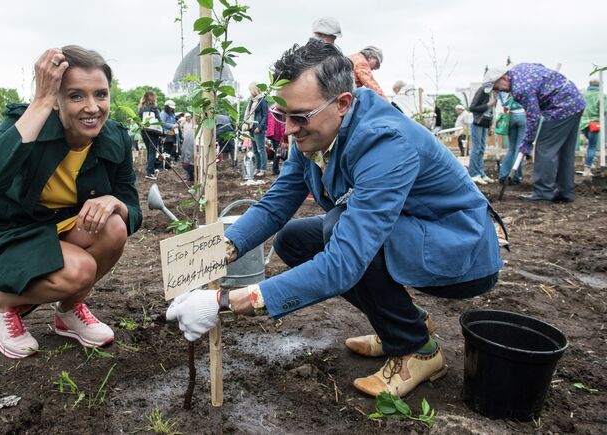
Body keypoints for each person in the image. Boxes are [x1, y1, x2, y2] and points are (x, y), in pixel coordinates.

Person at [166, 39, 503, 398]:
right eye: (282, 116)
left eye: (299, 117)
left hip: (458, 250)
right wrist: (212, 253)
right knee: (294, 239)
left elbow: (344, 262)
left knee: (339, 229)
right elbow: (275, 206)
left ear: (342, 103)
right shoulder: (316, 132)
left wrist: (224, 304)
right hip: (407, 234)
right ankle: (405, 321)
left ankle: (416, 349)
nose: (290, 129)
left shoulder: (386, 143)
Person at [0, 46, 142, 359]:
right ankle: (0, 305)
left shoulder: (115, 138)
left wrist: (114, 201)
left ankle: (69, 311)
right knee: (80, 270)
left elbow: (134, 209)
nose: (92, 107)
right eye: (75, 96)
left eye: (100, 94)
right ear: (57, 99)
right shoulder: (28, 121)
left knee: (115, 226)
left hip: (61, 229)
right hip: (10, 233)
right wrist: (41, 101)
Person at [485, 64, 585, 202]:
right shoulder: (519, 69)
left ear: (504, 78)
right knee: (564, 151)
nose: (500, 91)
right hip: (575, 101)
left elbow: (533, 117)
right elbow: (540, 67)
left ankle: (543, 192)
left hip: (560, 107)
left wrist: (526, 142)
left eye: (497, 87)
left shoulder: (521, 89)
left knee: (544, 149)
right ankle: (565, 192)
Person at [468, 85, 497, 185]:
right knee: (477, 148)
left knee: (482, 148)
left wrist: (491, 125)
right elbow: (472, 107)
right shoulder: (483, 90)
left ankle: (481, 173)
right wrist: (488, 104)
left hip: (485, 122)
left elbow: (492, 111)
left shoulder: (494, 92)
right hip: (477, 121)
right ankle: (473, 174)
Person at [497, 92, 527, 184]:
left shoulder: (501, 90)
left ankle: (503, 175)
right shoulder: (520, 84)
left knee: (511, 149)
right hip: (522, 115)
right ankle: (514, 177)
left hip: (509, 117)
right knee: (519, 148)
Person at [578, 79, 606, 177]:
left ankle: (591, 163)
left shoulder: (582, 94)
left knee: (585, 144)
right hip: (594, 124)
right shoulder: (602, 95)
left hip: (582, 123)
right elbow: (604, 110)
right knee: (592, 146)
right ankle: (587, 168)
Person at [244, 82, 268, 177]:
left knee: (261, 149)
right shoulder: (251, 101)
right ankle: (257, 168)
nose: (250, 92)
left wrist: (260, 127)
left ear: (255, 89)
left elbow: (266, 116)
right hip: (251, 128)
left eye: (251, 90)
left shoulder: (262, 100)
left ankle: (263, 169)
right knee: (255, 150)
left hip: (258, 128)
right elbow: (249, 114)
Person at [138, 91, 163, 180]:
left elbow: (139, 119)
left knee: (149, 151)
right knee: (152, 152)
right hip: (153, 131)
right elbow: (159, 119)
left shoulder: (141, 108)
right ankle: (149, 173)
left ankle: (150, 170)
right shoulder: (153, 107)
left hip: (144, 131)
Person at [266, 105, 286, 175]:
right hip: (278, 133)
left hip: (272, 133)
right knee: (278, 152)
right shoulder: (280, 110)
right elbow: (282, 123)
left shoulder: (271, 109)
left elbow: (269, 122)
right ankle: (275, 170)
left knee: (276, 152)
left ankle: (275, 169)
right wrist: (283, 135)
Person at [179, 113, 196, 181]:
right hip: (192, 164)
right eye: (187, 117)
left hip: (185, 163)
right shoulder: (184, 123)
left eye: (189, 117)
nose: (188, 118)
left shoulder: (192, 128)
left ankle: (190, 175)